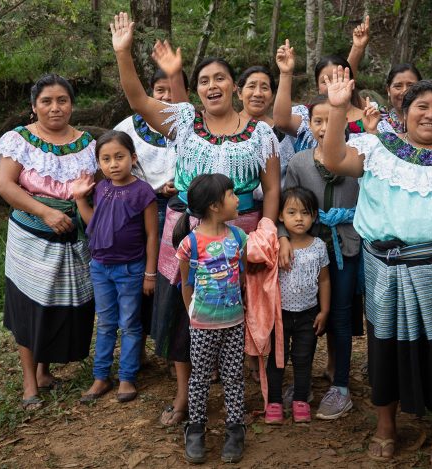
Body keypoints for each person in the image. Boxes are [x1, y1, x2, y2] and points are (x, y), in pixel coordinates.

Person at [322, 69, 432, 467]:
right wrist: (337, 110)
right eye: (422, 106)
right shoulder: (377, 147)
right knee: (384, 346)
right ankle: (385, 425)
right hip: (385, 269)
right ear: (404, 112)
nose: (431, 114)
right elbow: (334, 159)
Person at [110, 12, 280, 427]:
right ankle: (186, 398)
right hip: (185, 232)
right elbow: (137, 100)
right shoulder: (184, 122)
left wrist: (268, 233)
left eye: (219, 78)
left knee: (238, 312)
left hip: (242, 236)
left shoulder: (260, 134)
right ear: (197, 90)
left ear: (233, 87)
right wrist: (123, 53)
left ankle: (237, 396)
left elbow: (272, 189)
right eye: (203, 81)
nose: (211, 86)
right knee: (186, 314)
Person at [0, 74, 97, 411]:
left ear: (72, 104)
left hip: (74, 237)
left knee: (63, 303)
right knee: (30, 304)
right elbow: (6, 187)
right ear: (33, 106)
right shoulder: (19, 140)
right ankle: (29, 384)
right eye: (47, 101)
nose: (55, 108)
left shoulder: (88, 143)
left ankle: (45, 371)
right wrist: (45, 213)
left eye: (62, 100)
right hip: (30, 236)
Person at [278, 95, 369, 419]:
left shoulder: (359, 159)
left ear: (345, 123)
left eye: (332, 119)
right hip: (306, 249)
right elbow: (287, 206)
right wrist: (284, 237)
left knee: (340, 315)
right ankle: (301, 384)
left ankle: (340, 386)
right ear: (309, 124)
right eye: (318, 120)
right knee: (302, 315)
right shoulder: (300, 162)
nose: (324, 126)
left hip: (347, 245)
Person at [71, 131, 158, 404]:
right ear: (99, 163)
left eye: (119, 157)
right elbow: (93, 224)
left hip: (131, 269)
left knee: (130, 324)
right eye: (106, 159)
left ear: (132, 158)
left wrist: (150, 273)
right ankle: (100, 377)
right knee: (106, 323)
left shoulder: (143, 192)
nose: (113, 164)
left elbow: (153, 235)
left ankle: (127, 377)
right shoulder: (101, 188)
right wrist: (79, 200)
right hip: (100, 267)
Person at [173, 174, 248, 464]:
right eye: (232, 194)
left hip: (234, 323)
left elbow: (242, 277)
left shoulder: (239, 237)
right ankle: (195, 428)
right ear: (216, 205)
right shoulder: (190, 244)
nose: (238, 199)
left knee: (233, 377)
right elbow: (185, 285)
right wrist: (194, 316)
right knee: (200, 377)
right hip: (202, 325)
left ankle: (235, 429)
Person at [114, 67, 186, 364]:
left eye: (172, 90)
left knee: (173, 281)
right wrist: (148, 188)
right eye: (160, 90)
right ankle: (138, 348)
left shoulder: (190, 123)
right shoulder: (130, 127)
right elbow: (114, 161)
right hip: (141, 210)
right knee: (141, 276)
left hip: (180, 211)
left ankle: (172, 352)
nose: (166, 96)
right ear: (150, 92)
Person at [265, 187, 331, 424]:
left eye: (305, 212)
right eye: (292, 212)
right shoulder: (275, 246)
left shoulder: (319, 247)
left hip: (308, 314)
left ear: (314, 216)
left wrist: (324, 311)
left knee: (303, 358)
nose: (299, 218)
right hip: (279, 315)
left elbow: (324, 280)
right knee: (276, 359)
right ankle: (273, 402)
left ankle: (301, 400)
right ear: (281, 216)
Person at [379, 40, 432, 134]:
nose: (404, 91)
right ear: (388, 89)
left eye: (410, 85)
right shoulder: (377, 118)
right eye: (398, 86)